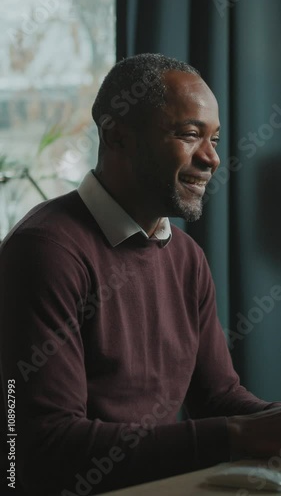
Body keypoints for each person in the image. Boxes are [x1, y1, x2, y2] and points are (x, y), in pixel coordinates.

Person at [0, 53, 280, 496]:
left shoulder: (187, 257)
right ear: (118, 137)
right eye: (190, 135)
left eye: (215, 138)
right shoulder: (45, 251)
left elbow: (219, 398)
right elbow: (43, 446)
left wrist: (269, 421)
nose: (211, 158)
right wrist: (240, 435)